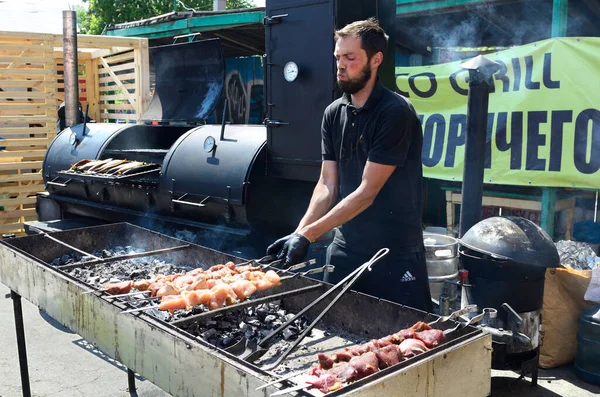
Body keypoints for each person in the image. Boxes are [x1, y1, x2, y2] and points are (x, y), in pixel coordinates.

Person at [267, 19, 432, 312]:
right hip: (345, 248)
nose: (340, 66)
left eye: (350, 58)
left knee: (402, 343)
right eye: (338, 58)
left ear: (376, 59)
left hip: (394, 253)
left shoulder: (395, 112)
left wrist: (309, 235)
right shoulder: (333, 113)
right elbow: (327, 185)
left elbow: (367, 192)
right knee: (335, 331)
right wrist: (299, 232)